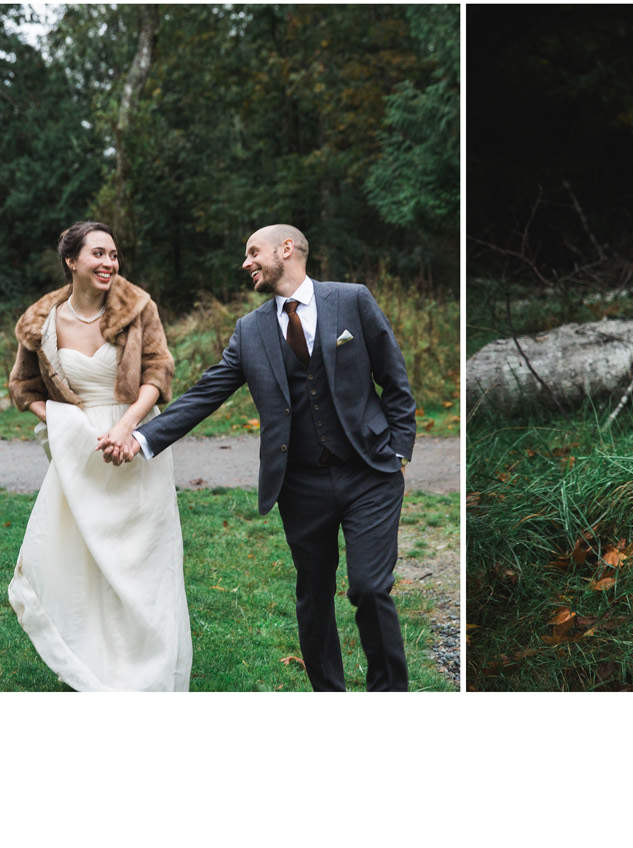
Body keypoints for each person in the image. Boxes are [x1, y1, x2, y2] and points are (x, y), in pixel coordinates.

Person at [102, 224, 417, 692]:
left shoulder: (351, 300)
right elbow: (206, 393)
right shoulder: (250, 330)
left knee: (370, 588)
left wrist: (398, 450)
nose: (246, 262)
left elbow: (395, 379)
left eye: (253, 252)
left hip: (369, 471)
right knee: (314, 596)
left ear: (286, 249)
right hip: (300, 484)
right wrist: (142, 438)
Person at [7, 221, 192, 691]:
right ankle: (93, 662)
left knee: (142, 560)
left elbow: (158, 373)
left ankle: (148, 667)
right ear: (72, 261)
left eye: (113, 254)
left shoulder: (138, 307)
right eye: (98, 254)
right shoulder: (41, 321)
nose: (109, 262)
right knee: (79, 556)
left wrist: (126, 427)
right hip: (78, 453)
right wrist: (63, 423)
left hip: (134, 443)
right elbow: (23, 387)